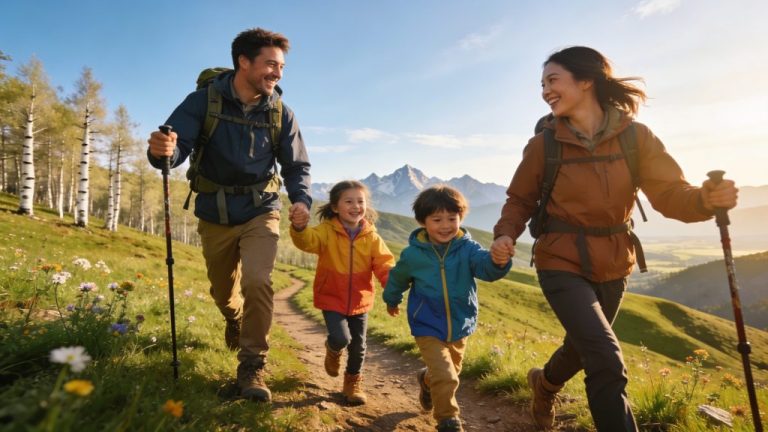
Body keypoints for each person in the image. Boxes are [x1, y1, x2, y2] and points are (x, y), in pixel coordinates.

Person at [490, 46, 738, 431]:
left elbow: (670, 193)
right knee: (605, 357)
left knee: (583, 346)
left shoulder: (635, 138)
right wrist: (505, 235)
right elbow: (520, 199)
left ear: (586, 81)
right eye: (542, 84)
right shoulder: (544, 144)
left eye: (552, 80)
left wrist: (704, 200)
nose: (545, 91)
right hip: (560, 259)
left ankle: (545, 383)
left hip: (615, 261)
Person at [146, 28, 312, 402]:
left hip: (261, 210)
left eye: (281, 66)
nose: (278, 73)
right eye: (271, 64)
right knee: (224, 292)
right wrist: (162, 152)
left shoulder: (281, 113)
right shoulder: (202, 102)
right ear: (244, 62)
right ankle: (234, 318)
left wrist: (301, 200)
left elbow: (296, 166)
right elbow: (175, 149)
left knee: (259, 280)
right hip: (214, 212)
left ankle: (252, 367)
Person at [383, 186, 512, 432]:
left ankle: (426, 380)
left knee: (450, 371)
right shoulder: (413, 255)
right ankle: (447, 419)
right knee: (447, 376)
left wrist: (498, 262)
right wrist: (392, 299)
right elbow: (398, 278)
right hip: (427, 324)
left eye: (452, 219)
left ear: (460, 218)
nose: (445, 226)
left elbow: (485, 269)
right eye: (437, 220)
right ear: (423, 222)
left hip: (460, 323)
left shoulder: (468, 249)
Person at [289, 180, 394, 405]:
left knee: (359, 346)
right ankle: (333, 348)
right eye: (349, 201)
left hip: (360, 300)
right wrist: (299, 228)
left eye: (360, 201)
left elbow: (385, 264)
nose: (356, 206)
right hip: (331, 296)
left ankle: (352, 384)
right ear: (335, 207)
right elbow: (308, 241)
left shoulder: (372, 237)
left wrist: (392, 289)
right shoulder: (326, 231)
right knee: (341, 338)